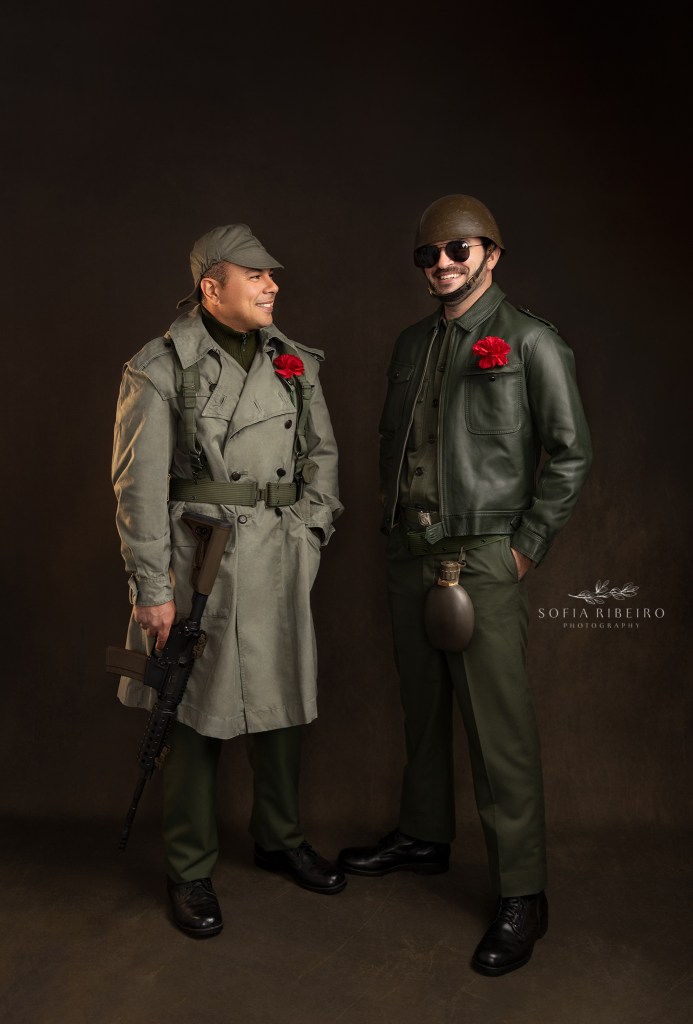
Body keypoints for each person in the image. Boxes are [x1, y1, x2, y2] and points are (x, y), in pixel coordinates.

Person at [338, 194, 592, 975]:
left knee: (497, 728)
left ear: (491, 254)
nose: (441, 265)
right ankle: (423, 835)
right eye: (428, 255)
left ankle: (523, 892)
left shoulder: (529, 342)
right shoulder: (413, 343)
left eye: (456, 251)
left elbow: (570, 453)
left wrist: (523, 549)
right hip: (409, 551)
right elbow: (396, 449)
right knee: (422, 706)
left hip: (483, 555)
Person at [112, 223, 346, 938]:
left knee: (283, 704)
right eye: (255, 276)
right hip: (199, 564)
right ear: (212, 287)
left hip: (276, 556)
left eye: (273, 275)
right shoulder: (159, 367)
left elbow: (321, 455)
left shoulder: (293, 363)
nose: (272, 285)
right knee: (189, 714)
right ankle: (189, 868)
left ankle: (278, 838)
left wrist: (309, 531)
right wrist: (153, 587)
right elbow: (138, 487)